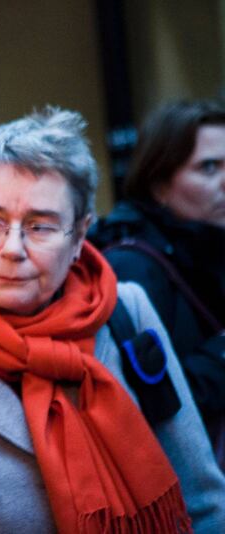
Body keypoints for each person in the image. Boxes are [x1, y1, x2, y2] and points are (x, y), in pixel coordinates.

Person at [0, 108, 225, 532]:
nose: (12, 248)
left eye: (40, 226)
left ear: (80, 236)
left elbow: (203, 501)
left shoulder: (126, 312)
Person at [89, 100, 225, 453]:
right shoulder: (133, 267)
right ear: (160, 185)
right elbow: (149, 404)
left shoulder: (208, 245)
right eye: (209, 167)